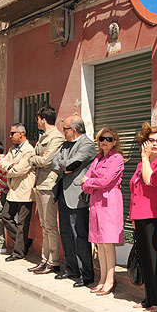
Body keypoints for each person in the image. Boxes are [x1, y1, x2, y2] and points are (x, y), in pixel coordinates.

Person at [129, 123, 157, 312]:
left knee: (156, 261)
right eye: (151, 140)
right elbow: (134, 190)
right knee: (145, 260)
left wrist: (145, 159)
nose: (154, 143)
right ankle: (148, 298)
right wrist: (131, 216)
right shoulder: (142, 163)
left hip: (155, 217)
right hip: (140, 216)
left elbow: (150, 180)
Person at [51, 115, 96, 287]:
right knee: (66, 233)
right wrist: (64, 166)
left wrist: (63, 166)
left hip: (78, 196)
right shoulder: (65, 145)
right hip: (63, 193)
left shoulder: (87, 145)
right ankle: (71, 269)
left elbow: (71, 165)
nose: (63, 132)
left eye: (65, 129)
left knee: (80, 235)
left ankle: (86, 274)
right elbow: (54, 164)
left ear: (74, 130)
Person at [81, 127, 125, 295]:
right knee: (99, 243)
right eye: (101, 139)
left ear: (114, 141)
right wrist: (91, 182)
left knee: (107, 242)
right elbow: (83, 182)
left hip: (109, 202)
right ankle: (102, 279)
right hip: (96, 201)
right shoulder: (97, 158)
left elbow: (106, 181)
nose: (104, 142)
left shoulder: (117, 159)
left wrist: (90, 181)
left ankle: (110, 280)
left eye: (108, 139)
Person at [28, 106, 65, 274]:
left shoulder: (56, 137)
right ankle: (45, 260)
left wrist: (32, 160)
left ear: (43, 119)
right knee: (44, 225)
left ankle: (53, 261)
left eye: (38, 119)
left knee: (50, 224)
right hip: (40, 183)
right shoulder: (44, 137)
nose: (36, 122)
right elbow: (40, 159)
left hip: (49, 184)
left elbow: (45, 160)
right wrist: (36, 160)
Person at [0, 124, 36, 262]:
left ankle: (19, 252)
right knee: (5, 216)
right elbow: (1, 163)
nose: (10, 136)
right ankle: (24, 242)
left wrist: (9, 167)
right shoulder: (12, 149)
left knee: (22, 223)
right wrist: (11, 166)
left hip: (25, 191)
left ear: (21, 133)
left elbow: (19, 170)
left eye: (12, 133)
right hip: (13, 190)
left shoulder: (29, 151)